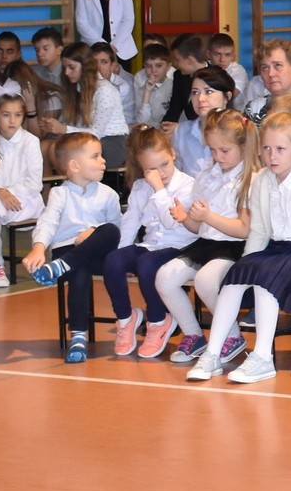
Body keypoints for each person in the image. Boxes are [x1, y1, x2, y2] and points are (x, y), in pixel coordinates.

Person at [187, 112, 291, 386]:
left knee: (266, 280)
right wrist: (247, 263)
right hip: (274, 248)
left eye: (280, 149)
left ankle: (263, 357)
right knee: (236, 277)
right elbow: (259, 231)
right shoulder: (263, 178)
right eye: (266, 148)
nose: (271, 156)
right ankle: (212, 354)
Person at [156, 111, 254, 368]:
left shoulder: (250, 178)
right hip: (208, 243)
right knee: (164, 277)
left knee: (206, 280)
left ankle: (232, 336)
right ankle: (194, 335)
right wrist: (185, 219)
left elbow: (244, 229)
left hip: (236, 246)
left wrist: (207, 216)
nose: (218, 156)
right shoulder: (207, 175)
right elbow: (199, 227)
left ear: (243, 146)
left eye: (225, 150)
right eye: (212, 150)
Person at [101, 125, 199, 360]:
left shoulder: (189, 185)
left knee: (147, 264)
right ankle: (126, 319)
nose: (160, 173)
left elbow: (170, 222)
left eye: (164, 164)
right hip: (151, 246)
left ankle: (158, 320)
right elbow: (131, 221)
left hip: (182, 246)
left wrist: (158, 189)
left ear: (173, 154)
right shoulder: (139, 186)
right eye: (151, 169)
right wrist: (124, 253)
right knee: (113, 261)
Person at [26, 134, 125, 363]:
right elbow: (48, 221)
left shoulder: (108, 194)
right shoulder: (59, 193)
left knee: (110, 230)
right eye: (95, 156)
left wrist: (94, 230)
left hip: (97, 250)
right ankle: (78, 337)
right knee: (79, 271)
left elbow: (118, 230)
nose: (103, 160)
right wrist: (38, 248)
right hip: (66, 248)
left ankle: (60, 267)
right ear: (74, 165)